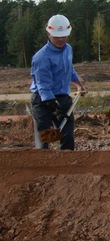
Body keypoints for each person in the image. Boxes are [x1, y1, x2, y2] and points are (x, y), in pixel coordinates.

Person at [29, 14, 86, 150]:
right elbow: (43, 84)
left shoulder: (68, 49)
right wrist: (51, 103)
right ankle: (42, 164)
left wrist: (79, 84)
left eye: (64, 36)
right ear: (49, 33)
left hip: (63, 97)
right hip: (43, 100)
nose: (61, 39)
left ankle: (67, 163)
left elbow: (69, 69)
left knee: (67, 133)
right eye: (57, 36)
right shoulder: (41, 57)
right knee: (44, 135)